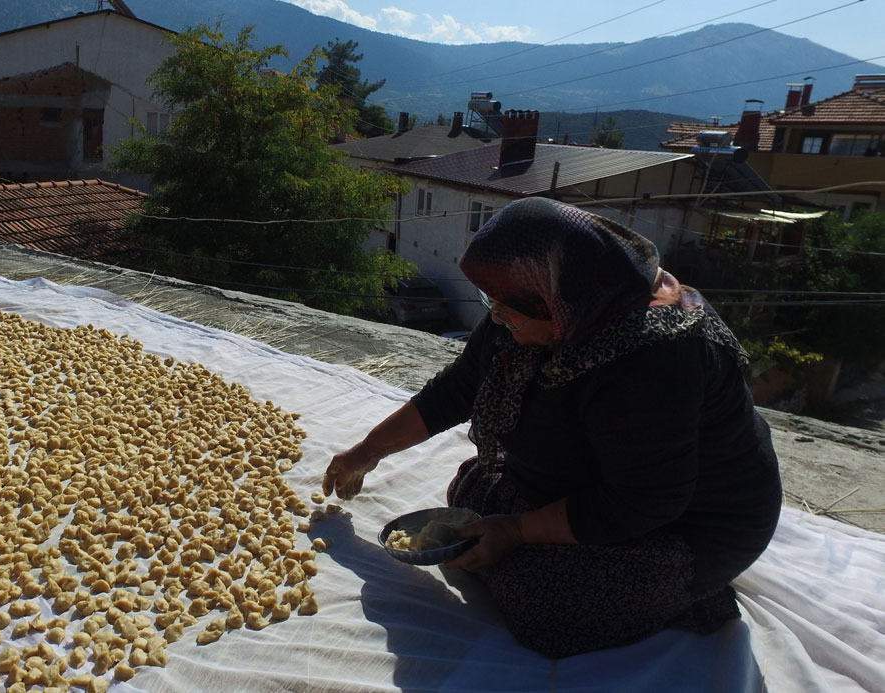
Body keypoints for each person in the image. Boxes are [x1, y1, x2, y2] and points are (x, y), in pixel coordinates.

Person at [323, 198, 782, 658]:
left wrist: (515, 531)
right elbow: (460, 387)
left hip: (688, 523)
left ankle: (691, 598)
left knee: (540, 606)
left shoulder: (652, 356)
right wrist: (368, 450)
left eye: (506, 308)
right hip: (603, 481)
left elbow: (645, 499)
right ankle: (541, 527)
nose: (497, 316)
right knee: (468, 502)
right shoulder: (547, 300)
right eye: (491, 303)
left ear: (559, 298)